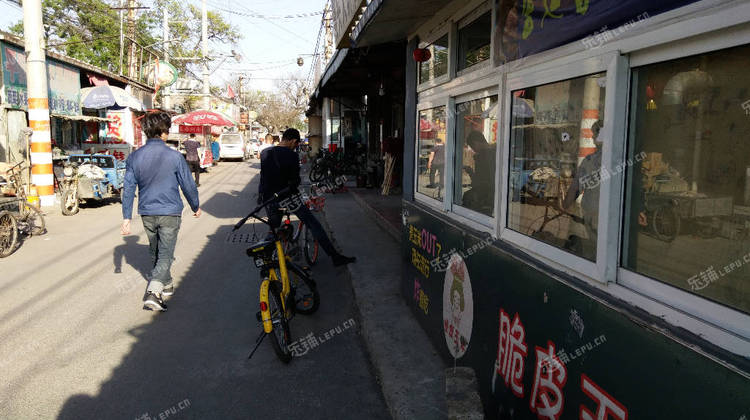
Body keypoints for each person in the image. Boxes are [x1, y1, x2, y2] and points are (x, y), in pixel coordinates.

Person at [121, 111, 201, 312]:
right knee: (165, 253)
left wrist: (126, 217)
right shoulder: (174, 156)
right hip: (170, 212)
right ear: (164, 131)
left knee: (156, 250)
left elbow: (129, 187)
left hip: (147, 212)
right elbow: (188, 185)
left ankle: (166, 283)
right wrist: (195, 206)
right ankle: (154, 292)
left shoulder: (135, 157)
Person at [259, 128, 356, 266]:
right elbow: (295, 181)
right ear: (293, 141)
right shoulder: (291, 155)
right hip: (288, 199)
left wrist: (262, 198)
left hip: (269, 199)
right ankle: (335, 257)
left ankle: (266, 256)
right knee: (313, 224)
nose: (295, 147)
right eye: (296, 144)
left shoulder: (265, 153)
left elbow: (263, 179)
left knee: (273, 229)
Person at [563, 120, 603, 260]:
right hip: (607, 215)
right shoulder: (618, 157)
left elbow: (576, 187)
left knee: (595, 251)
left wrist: (564, 206)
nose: (592, 137)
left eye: (595, 134)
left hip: (594, 213)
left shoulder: (591, 160)